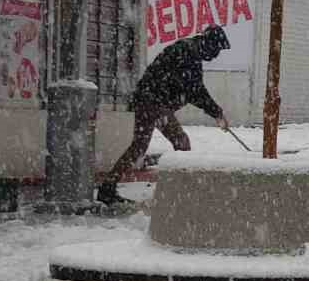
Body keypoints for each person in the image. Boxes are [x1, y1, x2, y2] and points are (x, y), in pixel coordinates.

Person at [97, 25, 231, 205]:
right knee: (180, 143)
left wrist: (215, 111)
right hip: (153, 102)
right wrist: (217, 113)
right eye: (216, 50)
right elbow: (195, 91)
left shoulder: (189, 51)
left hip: (150, 100)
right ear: (208, 43)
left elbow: (191, 89)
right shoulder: (187, 53)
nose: (216, 55)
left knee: (140, 146)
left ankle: (108, 187)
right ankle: (179, 191)